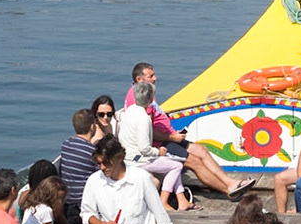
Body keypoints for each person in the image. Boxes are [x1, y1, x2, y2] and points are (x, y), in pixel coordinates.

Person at [125, 62, 250, 199]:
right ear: (139, 79)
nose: (155, 78)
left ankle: (230, 182)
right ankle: (228, 190)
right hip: (159, 143)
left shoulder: (146, 91)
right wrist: (171, 138)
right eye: (151, 76)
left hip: (168, 137)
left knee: (201, 149)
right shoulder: (138, 98)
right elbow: (146, 130)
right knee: (193, 161)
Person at [119, 81, 190, 209]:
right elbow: (144, 148)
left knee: (171, 163)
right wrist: (158, 152)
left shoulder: (129, 111)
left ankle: (182, 201)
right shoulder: (143, 118)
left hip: (128, 156)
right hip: (138, 160)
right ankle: (163, 201)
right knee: (176, 166)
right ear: (151, 99)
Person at [60, 104, 109, 207]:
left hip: (66, 201)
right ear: (92, 127)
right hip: (83, 203)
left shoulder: (65, 144)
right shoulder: (92, 152)